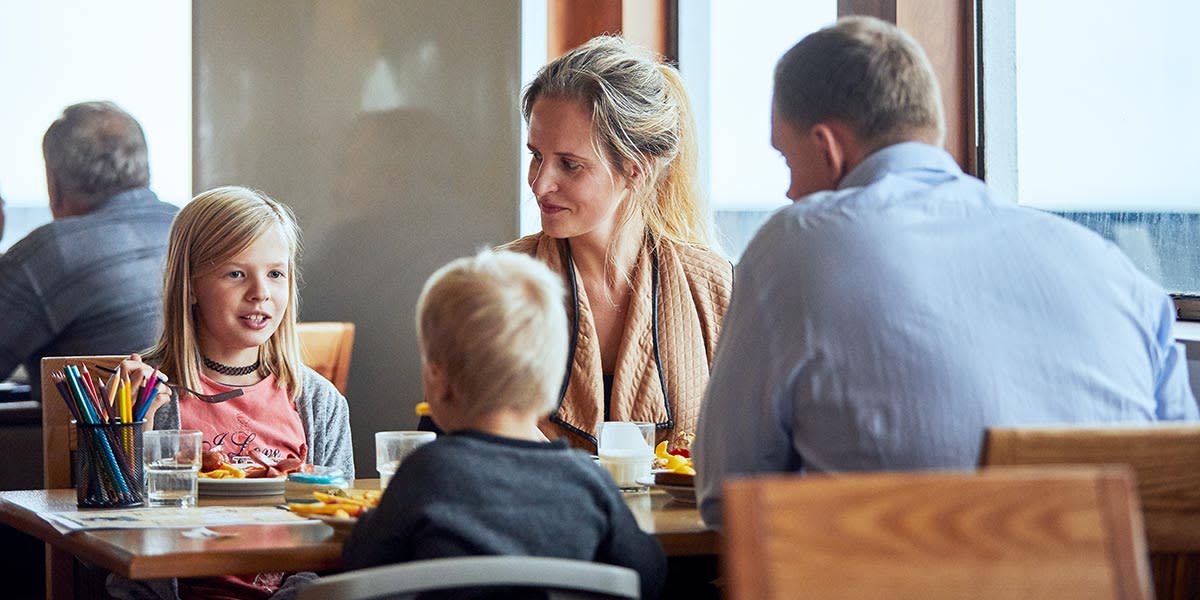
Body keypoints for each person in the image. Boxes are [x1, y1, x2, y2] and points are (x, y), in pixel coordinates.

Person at [695, 16, 1199, 528]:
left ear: (828, 146)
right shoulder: (1113, 271)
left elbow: (726, 494)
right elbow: (1182, 483)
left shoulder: (798, 243)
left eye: (786, 161)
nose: (789, 193)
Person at [343, 250, 666, 600]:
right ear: (552, 378)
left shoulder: (425, 471)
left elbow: (361, 564)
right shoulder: (586, 480)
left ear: (438, 380)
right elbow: (648, 574)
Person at [110, 186, 353, 600]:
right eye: (236, 273)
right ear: (189, 286)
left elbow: (332, 537)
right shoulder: (145, 392)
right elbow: (105, 540)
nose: (261, 291)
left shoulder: (318, 401)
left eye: (276, 273)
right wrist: (131, 427)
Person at [501, 35, 733, 452]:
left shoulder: (714, 288)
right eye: (536, 156)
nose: (540, 184)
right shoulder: (498, 283)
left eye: (569, 164)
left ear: (636, 169)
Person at [0, 101, 178, 398]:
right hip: (205, 439)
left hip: (102, 442)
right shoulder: (190, 225)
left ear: (53, 183)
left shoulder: (50, 251)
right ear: (145, 169)